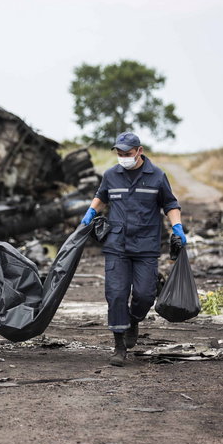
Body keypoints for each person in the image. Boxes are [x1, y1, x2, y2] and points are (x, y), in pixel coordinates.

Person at [80, 132, 186, 367]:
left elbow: (170, 203)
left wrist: (177, 226)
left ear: (139, 151)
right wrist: (90, 213)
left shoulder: (157, 176)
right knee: (116, 294)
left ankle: (134, 319)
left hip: (146, 245)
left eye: (127, 154)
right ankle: (119, 347)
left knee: (145, 294)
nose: (122, 158)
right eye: (119, 154)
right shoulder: (111, 175)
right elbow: (101, 197)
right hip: (116, 245)